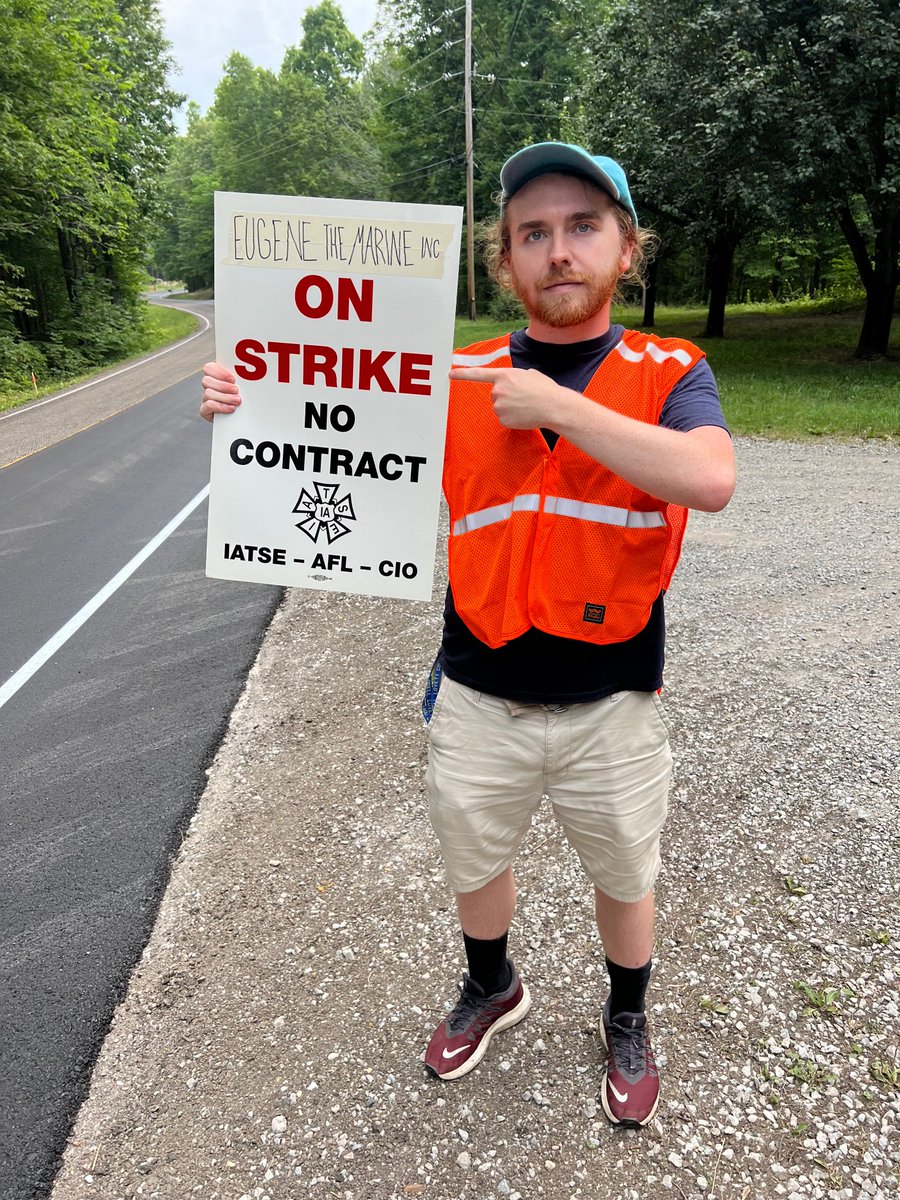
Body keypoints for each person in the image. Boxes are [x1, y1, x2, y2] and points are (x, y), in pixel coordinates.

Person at [200, 142, 735, 1129]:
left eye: (583, 227)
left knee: (626, 870)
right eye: (533, 233)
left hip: (613, 700)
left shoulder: (672, 370)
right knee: (473, 853)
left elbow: (710, 478)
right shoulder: (459, 373)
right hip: (478, 687)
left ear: (627, 249)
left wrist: (561, 409)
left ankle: (627, 1013)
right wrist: (246, 404)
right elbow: (334, 422)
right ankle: (493, 985)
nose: (558, 251)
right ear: (504, 262)